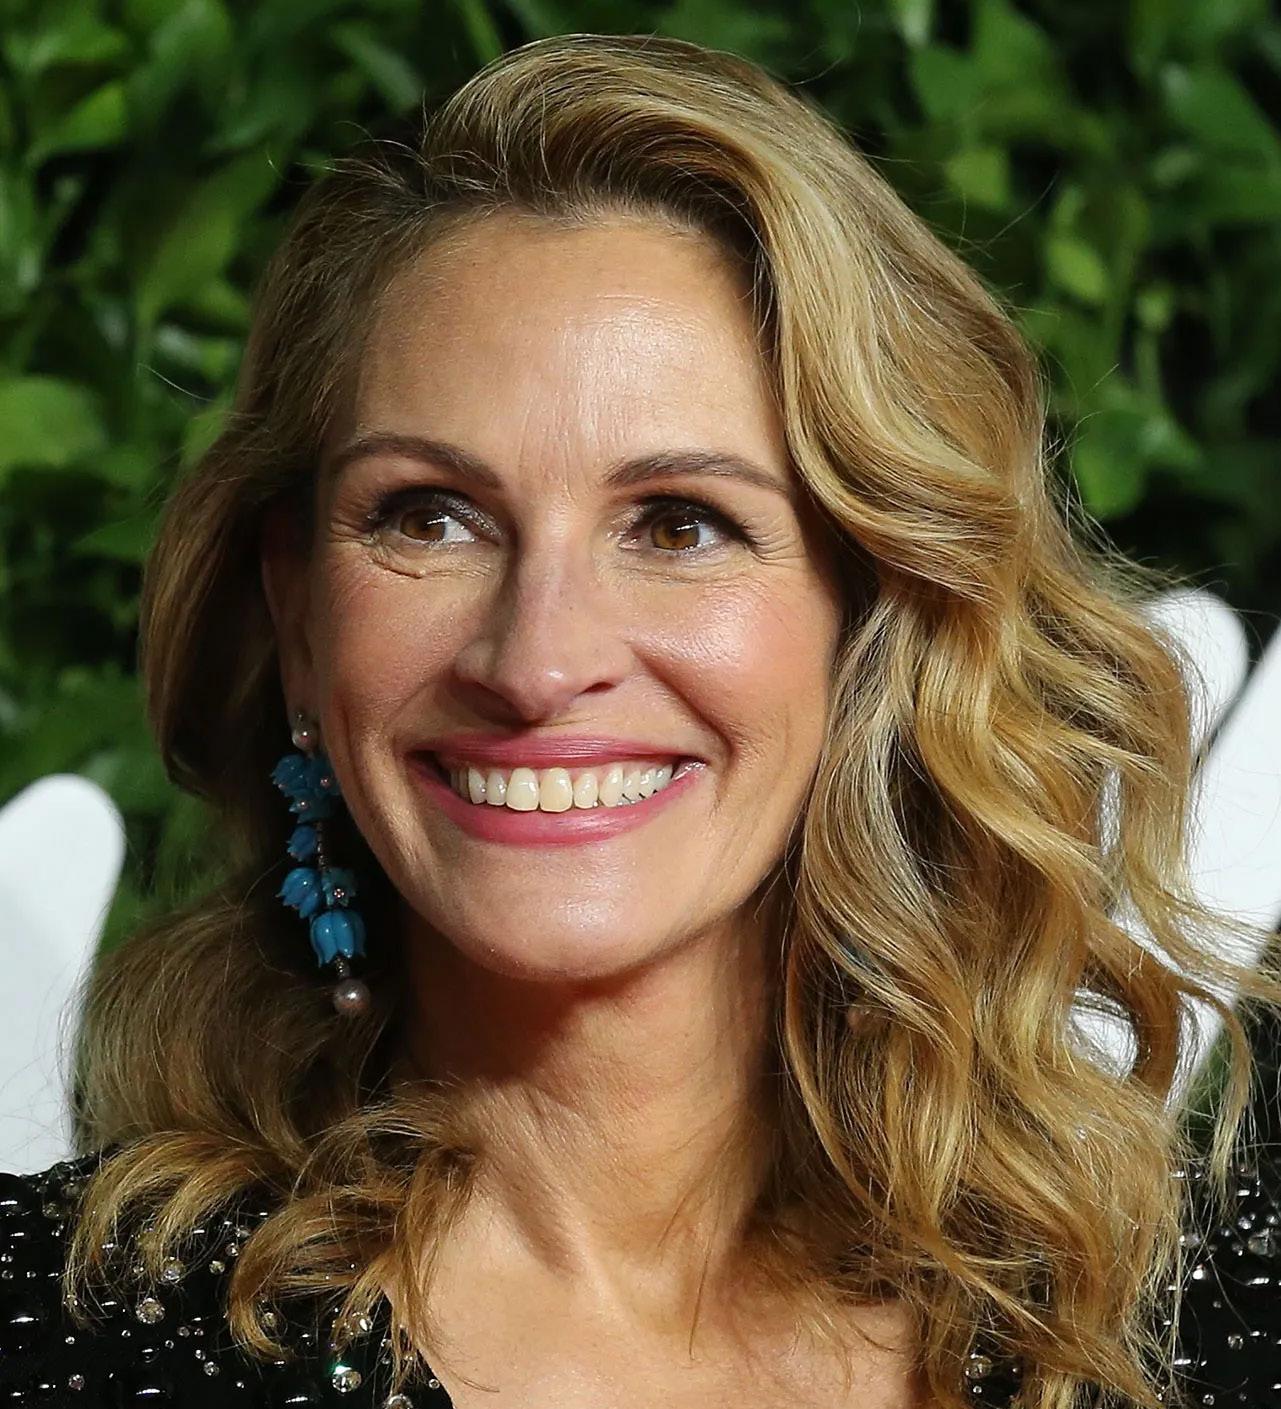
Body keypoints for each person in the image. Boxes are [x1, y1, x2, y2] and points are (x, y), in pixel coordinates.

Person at [1, 30, 1278, 1409]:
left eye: (678, 524)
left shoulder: (1184, 1321)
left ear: (872, 610)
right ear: (299, 616)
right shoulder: (52, 1336)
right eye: (429, 517)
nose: (537, 660)